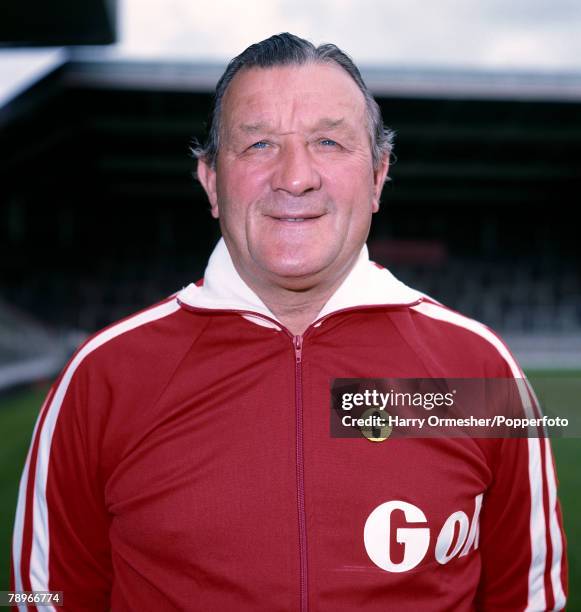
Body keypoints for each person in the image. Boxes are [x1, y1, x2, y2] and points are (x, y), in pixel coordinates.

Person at [11, 33, 567, 611]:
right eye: (258, 145)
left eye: (328, 141)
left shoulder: (479, 371)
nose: (295, 176)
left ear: (378, 177)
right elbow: (40, 597)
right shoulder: (100, 379)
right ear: (210, 182)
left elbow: (527, 600)